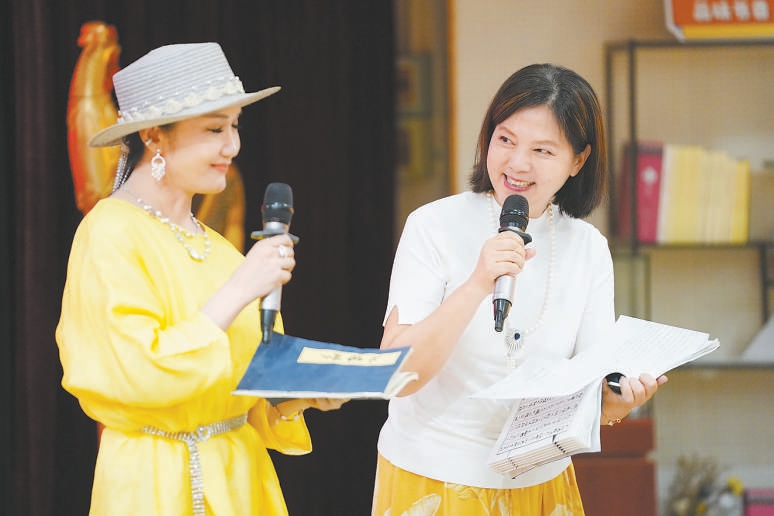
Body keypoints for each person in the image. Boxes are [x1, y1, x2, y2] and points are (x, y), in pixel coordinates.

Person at [56, 42, 345, 516]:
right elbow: (138, 373)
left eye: (234, 126)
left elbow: (242, 382)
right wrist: (240, 288)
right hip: (153, 483)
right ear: (154, 136)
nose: (232, 146)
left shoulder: (220, 247)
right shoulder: (109, 231)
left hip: (240, 480)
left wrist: (297, 395)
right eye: (215, 129)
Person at [371, 63, 667, 516]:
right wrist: (478, 282)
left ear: (579, 160)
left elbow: (593, 388)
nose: (517, 164)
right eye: (505, 139)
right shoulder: (433, 226)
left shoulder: (588, 247)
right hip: (433, 477)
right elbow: (396, 376)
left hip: (540, 480)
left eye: (542, 150)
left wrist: (617, 402)